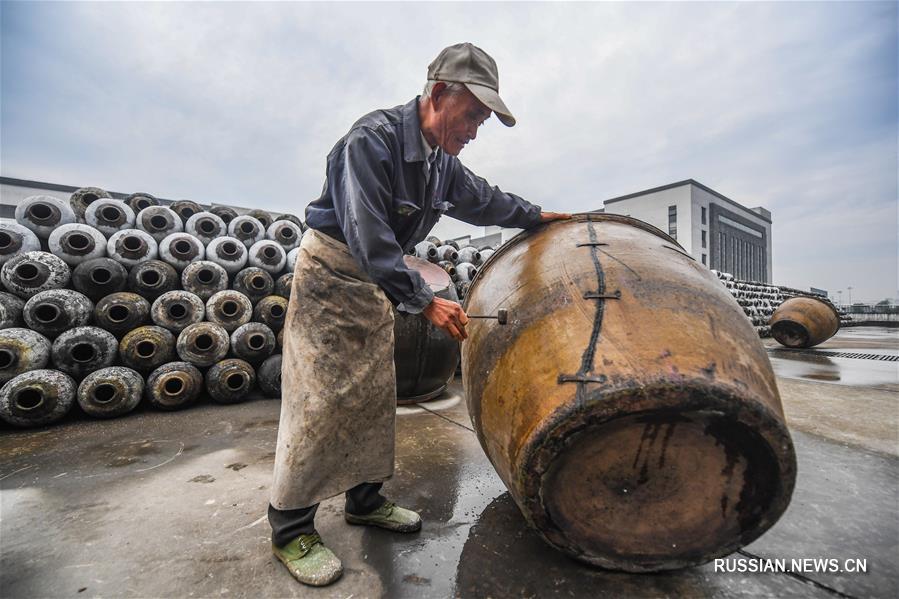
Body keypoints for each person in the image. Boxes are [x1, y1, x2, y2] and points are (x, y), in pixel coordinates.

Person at [268, 42, 571, 587]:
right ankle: (290, 528)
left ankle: (364, 501)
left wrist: (533, 215)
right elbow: (368, 235)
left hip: (374, 285)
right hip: (333, 275)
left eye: (484, 119)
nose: (476, 129)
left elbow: (482, 198)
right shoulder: (371, 141)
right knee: (321, 398)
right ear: (438, 94)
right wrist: (426, 299)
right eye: (474, 114)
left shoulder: (440, 163)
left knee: (371, 394)